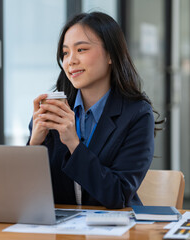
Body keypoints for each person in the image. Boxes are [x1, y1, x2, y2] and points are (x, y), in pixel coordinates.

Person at [28, 12, 162, 209]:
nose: (70, 61)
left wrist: (73, 143)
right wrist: (34, 144)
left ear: (110, 55)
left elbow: (117, 195)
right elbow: (30, 194)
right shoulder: (54, 110)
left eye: (81, 49)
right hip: (60, 230)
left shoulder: (137, 114)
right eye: (65, 53)